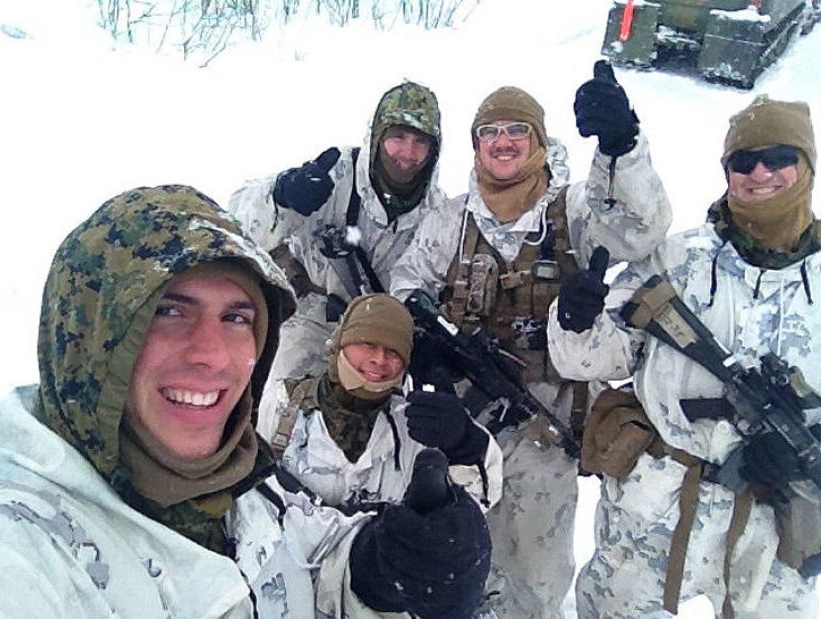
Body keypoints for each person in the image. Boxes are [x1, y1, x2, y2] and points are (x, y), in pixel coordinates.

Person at [0, 184, 492, 618]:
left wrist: (379, 569)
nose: (212, 355)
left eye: (236, 318)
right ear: (88, 333)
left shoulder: (243, 490)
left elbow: (309, 562)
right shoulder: (25, 549)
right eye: (168, 311)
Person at [389, 61, 673, 618]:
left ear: (538, 142)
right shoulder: (451, 219)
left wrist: (622, 146)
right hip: (462, 423)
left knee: (534, 573)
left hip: (545, 422)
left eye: (517, 131)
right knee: (451, 554)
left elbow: (642, 227)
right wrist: (425, 346)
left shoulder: (573, 211)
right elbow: (406, 282)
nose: (503, 142)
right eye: (490, 132)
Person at [548, 95, 820, 617]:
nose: (759, 173)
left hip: (778, 525)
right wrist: (574, 319)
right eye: (743, 161)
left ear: (806, 165)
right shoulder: (676, 259)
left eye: (778, 157)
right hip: (655, 509)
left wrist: (805, 455)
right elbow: (586, 361)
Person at [229, 80, 445, 438]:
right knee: (282, 415)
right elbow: (237, 221)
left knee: (384, 429)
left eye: (420, 142)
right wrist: (281, 196)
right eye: (398, 137)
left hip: (382, 334)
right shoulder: (336, 172)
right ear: (377, 136)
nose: (406, 153)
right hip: (313, 316)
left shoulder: (437, 211)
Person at [268, 292, 503, 516]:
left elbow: (479, 503)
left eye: (393, 351)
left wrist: (465, 444)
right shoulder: (278, 406)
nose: (379, 359)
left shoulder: (415, 428)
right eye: (368, 343)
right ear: (340, 343)